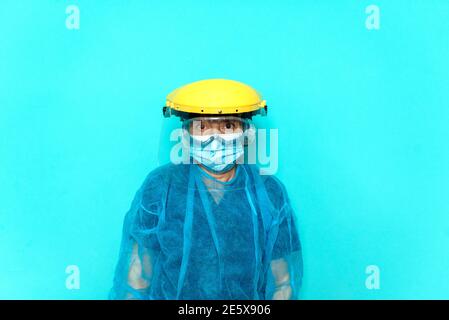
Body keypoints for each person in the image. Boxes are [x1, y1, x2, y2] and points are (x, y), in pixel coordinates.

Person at [109, 79, 303, 300]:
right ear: (185, 135)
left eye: (228, 126)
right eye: (202, 127)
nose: (215, 139)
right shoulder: (162, 187)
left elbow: (284, 282)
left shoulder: (268, 192)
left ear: (246, 133)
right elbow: (136, 279)